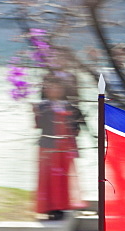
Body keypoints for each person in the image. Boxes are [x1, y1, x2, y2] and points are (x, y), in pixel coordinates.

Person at [34, 76, 86, 220]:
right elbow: (39, 125)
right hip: (48, 146)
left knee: (63, 178)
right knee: (48, 178)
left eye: (57, 87)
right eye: (50, 87)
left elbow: (78, 126)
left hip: (64, 147)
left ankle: (61, 206)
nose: (54, 90)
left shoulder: (70, 107)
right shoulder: (42, 106)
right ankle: (49, 207)